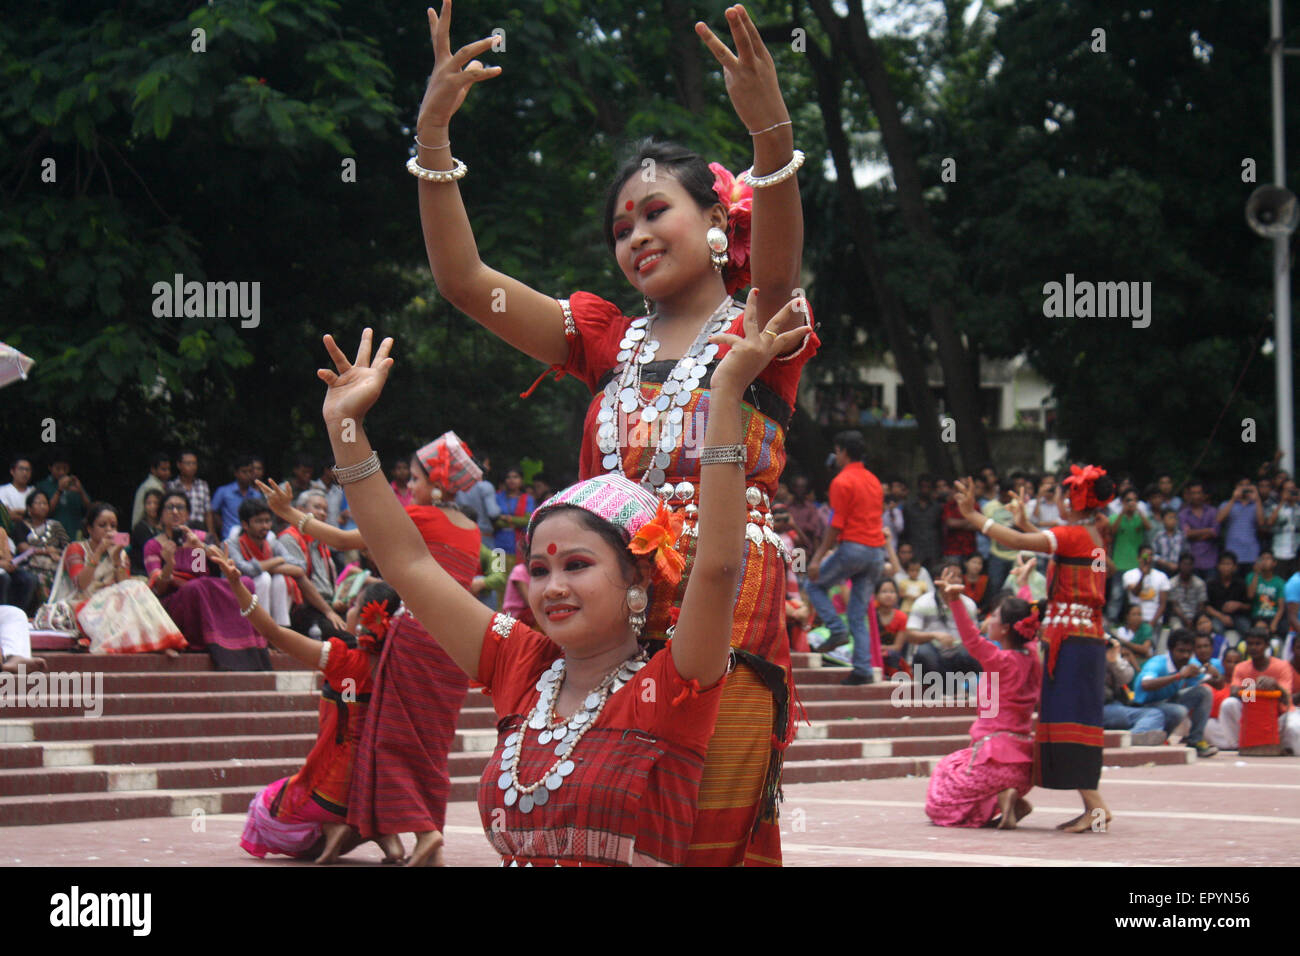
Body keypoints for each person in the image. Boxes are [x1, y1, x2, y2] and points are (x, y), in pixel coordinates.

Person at [410, 0, 814, 868]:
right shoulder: (603, 337)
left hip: (723, 600)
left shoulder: (759, 334)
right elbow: (462, 280)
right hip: (609, 595)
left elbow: (776, 269)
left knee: (697, 828)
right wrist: (434, 139)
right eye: (619, 227)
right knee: (591, 800)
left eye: (653, 212)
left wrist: (771, 140)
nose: (633, 237)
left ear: (716, 220)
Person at [313, 297, 802, 864]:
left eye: (577, 565)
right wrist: (345, 428)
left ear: (637, 573)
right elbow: (409, 565)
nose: (552, 587)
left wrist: (725, 396)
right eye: (540, 570)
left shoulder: (675, 681)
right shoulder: (521, 665)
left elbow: (719, 567)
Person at [258, 430, 487, 867]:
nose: (409, 487)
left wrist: (291, 515)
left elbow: (346, 541)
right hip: (457, 646)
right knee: (431, 750)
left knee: (389, 741)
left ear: (436, 484)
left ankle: (423, 833)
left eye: (416, 479)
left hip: (417, 638)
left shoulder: (420, 515)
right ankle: (418, 840)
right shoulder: (473, 531)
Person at [953, 464, 1115, 832]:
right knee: (1073, 721)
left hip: (1071, 643)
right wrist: (1026, 523)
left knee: (1068, 721)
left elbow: (1018, 544)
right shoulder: (1092, 532)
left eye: (1062, 493)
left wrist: (973, 515)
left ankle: (1096, 807)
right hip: (1081, 639)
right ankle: (1094, 806)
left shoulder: (1076, 534)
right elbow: (1044, 541)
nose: (1056, 498)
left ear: (1073, 500)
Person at [224, 548, 405, 865]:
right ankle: (388, 839)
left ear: (363, 618)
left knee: (262, 809)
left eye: (352, 606)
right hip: (383, 782)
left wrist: (238, 585)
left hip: (334, 781)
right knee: (369, 803)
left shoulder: (342, 659)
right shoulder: (402, 666)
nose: (345, 610)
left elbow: (273, 632)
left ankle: (333, 826)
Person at [924, 583, 1042, 829]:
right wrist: (1024, 584)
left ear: (1007, 628)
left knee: (940, 794)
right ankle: (1009, 797)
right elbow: (1027, 618)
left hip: (993, 763)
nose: (989, 620)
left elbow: (970, 637)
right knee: (960, 765)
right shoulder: (1032, 657)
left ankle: (1001, 795)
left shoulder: (1000, 661)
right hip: (1023, 769)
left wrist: (955, 601)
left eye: (995, 616)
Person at [143, 492, 270, 670]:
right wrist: (169, 563)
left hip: (199, 591)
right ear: (161, 515)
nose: (174, 512)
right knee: (196, 588)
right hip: (173, 601)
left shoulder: (197, 538)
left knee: (246, 583)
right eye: (169, 507)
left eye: (180, 507)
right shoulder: (154, 545)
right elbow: (159, 589)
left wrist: (200, 547)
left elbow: (200, 574)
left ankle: (246, 645)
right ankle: (208, 642)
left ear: (187, 514)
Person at [805, 430, 885, 685]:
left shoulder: (841, 481)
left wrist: (817, 558)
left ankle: (836, 630)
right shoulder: (873, 480)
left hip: (854, 548)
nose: (835, 455)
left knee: (813, 585)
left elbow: (835, 524)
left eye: (837, 451)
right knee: (857, 612)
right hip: (876, 552)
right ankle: (862, 668)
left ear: (843, 452)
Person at [60, 503, 186, 656]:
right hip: (82, 605)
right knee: (135, 588)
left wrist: (116, 560)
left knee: (137, 587)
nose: (109, 530)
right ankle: (160, 642)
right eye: (102, 525)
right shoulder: (76, 548)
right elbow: (80, 585)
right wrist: (99, 551)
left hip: (110, 605)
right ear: (89, 528)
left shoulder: (119, 553)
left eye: (113, 526)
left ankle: (161, 641)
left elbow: (124, 585)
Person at [1204, 627, 1300, 753]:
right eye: (1250, 644)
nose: (1254, 647)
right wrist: (1255, 687)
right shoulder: (1241, 667)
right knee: (1228, 704)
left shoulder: (1282, 666)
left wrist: (1275, 685)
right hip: (1251, 716)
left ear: (1266, 646)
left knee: (1295, 727)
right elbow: (1233, 693)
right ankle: (1241, 746)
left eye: (1258, 644)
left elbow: (1286, 699)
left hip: (1278, 716)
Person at [272, 489, 350, 642]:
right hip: (306, 608)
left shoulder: (319, 540)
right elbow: (302, 582)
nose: (322, 513)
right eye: (317, 507)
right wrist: (328, 611)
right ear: (300, 510)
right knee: (347, 637)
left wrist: (337, 601)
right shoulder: (289, 538)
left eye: (325, 510)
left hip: (327, 605)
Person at [1131, 629, 1218, 757]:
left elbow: (1219, 684)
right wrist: (1178, 676)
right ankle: (1162, 738)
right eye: (1181, 651)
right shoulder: (1157, 663)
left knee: (1205, 691)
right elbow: (1146, 684)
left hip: (1168, 703)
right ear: (1170, 650)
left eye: (1189, 652)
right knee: (1179, 710)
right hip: (1144, 707)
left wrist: (1214, 673)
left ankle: (1195, 741)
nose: (1185, 656)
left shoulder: (1191, 664)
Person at [224, 498, 296, 627]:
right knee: (263, 578)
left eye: (267, 521)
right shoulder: (232, 544)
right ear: (245, 525)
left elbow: (299, 566)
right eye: (259, 521)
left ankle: (282, 629)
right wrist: (279, 560)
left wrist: (267, 566)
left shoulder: (273, 544)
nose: (265, 526)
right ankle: (264, 630)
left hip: (261, 594)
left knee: (280, 579)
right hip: (237, 596)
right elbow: (246, 570)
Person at [904, 560, 981, 679]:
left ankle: (965, 688)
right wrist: (934, 635)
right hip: (933, 650)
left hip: (959, 651)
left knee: (973, 653)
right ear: (938, 580)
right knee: (924, 653)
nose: (956, 580)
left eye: (959, 576)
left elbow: (975, 636)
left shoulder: (969, 604)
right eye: (951, 575)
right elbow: (910, 634)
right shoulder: (923, 602)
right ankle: (943, 689)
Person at [1100, 638, 1167, 746]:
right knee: (1121, 717)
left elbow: (1126, 678)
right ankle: (1129, 740)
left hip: (1112, 706)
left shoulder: (1109, 656)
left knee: (1155, 714)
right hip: (1098, 709)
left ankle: (1132, 737)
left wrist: (1114, 660)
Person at [12, 489, 70, 602]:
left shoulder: (55, 525)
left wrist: (56, 552)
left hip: (55, 565)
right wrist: (46, 551)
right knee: (41, 578)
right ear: (29, 508)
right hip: (30, 565)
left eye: (45, 503)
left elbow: (67, 547)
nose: (43, 506)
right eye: (39, 503)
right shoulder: (21, 525)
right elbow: (23, 548)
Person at [1108, 490, 1150, 621]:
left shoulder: (1140, 518)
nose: (1131, 503)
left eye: (1134, 500)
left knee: (1135, 596)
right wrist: (1123, 512)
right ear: (1122, 502)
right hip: (1119, 563)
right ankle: (1112, 620)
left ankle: (1134, 621)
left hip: (1136, 564)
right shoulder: (1115, 517)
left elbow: (1149, 527)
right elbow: (1112, 531)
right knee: (1117, 595)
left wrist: (1139, 511)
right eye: (1128, 500)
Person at [36, 451, 90, 536]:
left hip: (75, 532)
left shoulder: (75, 484)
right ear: (50, 468)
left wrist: (81, 491)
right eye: (58, 468)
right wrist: (59, 490)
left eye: (65, 468)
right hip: (52, 534)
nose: (61, 472)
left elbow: (90, 508)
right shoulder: (43, 486)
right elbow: (44, 512)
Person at [210, 455, 263, 541]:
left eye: (250, 471)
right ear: (236, 473)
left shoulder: (256, 495)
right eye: (244, 472)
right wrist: (222, 527)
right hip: (229, 538)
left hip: (252, 539)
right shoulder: (223, 492)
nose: (248, 475)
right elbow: (213, 513)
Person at [1217, 479, 1264, 572]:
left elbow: (1261, 522)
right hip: (1232, 552)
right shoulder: (1226, 504)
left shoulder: (1255, 505)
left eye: (1247, 485)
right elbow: (1219, 519)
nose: (1244, 487)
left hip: (1251, 553)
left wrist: (1257, 498)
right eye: (1241, 485)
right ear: (1236, 487)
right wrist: (1233, 499)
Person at [1121, 545, 1170, 631]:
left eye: (1151, 555)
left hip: (1154, 621)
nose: (1148, 558)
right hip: (1134, 621)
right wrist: (1143, 576)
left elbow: (1163, 603)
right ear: (1138, 558)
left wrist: (1152, 623)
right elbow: (1135, 592)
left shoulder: (1162, 576)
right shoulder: (1129, 575)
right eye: (1145, 556)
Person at [1205, 551, 1251, 640]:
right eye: (1223, 564)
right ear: (1218, 566)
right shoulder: (1211, 583)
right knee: (1216, 629)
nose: (1226, 567)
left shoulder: (1241, 583)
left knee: (1247, 629)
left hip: (1238, 616)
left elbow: (1248, 605)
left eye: (1228, 564)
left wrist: (1239, 605)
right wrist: (1221, 617)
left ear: (1235, 567)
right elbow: (1207, 606)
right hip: (1218, 616)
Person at [1178, 481, 1220, 580]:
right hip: (1192, 562)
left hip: (1211, 561)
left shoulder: (1213, 512)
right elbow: (1186, 534)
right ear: (1189, 495)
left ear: (1204, 495)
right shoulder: (1183, 514)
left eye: (1199, 493)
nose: (1196, 496)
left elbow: (1215, 532)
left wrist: (1194, 533)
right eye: (1193, 493)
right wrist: (1207, 530)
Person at [492, 467, 534, 564]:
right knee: (498, 575)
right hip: (498, 544)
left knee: (516, 576)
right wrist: (516, 522)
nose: (512, 480)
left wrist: (506, 518)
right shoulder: (497, 496)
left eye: (515, 477)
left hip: (519, 546)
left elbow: (527, 521)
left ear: (521, 480)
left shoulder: (528, 499)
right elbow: (494, 520)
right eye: (508, 477)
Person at [870, 578, 910, 677]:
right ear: (875, 596)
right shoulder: (871, 614)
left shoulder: (902, 617)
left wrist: (881, 648)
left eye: (892, 592)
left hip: (892, 656)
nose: (888, 595)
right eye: (884, 592)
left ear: (897, 596)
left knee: (893, 655)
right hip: (871, 653)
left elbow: (897, 646)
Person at [166, 450, 212, 534]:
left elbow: (208, 513)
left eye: (194, 463)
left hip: (199, 530)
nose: (192, 466)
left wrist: (211, 533)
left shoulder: (203, 485)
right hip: (179, 530)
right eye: (188, 463)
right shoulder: (171, 486)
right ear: (179, 465)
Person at [1246, 549, 1287, 637]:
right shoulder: (1251, 577)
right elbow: (1250, 596)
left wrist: (1274, 623)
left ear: (1274, 563)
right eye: (1262, 559)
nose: (1264, 561)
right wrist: (1256, 574)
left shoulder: (1280, 582)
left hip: (1274, 616)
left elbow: (1281, 607)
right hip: (1258, 616)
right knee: (1259, 628)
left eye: (1268, 559)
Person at [1265, 479, 1299, 579]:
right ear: (1281, 492)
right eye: (1287, 490)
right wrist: (1282, 501)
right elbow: (1269, 522)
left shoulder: (1298, 507)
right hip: (1279, 554)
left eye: (1292, 489)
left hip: (1296, 554)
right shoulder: (1275, 507)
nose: (1290, 492)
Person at [130, 452, 171, 529]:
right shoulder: (152, 486)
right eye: (163, 469)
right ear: (153, 470)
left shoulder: (155, 484)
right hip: (147, 528)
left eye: (168, 469)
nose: (167, 472)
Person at [129, 488, 164, 576]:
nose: (152, 506)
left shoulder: (166, 526)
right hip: (142, 571)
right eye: (149, 503)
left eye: (156, 503)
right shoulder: (140, 528)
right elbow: (153, 549)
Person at [1150, 507, 1186, 577]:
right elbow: (1153, 555)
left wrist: (1178, 565)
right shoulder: (1158, 536)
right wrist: (1166, 564)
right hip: (1162, 570)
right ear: (1163, 520)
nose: (1173, 520)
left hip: (1178, 570)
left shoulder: (1182, 536)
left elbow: (1186, 553)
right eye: (1170, 518)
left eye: (1174, 518)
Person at [0, 456, 34, 520]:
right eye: (21, 469)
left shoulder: (33, 491)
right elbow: (6, 514)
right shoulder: (2, 490)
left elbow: (39, 514)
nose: (25, 473)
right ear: (12, 471)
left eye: (27, 470)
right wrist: (27, 515)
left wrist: (17, 511)